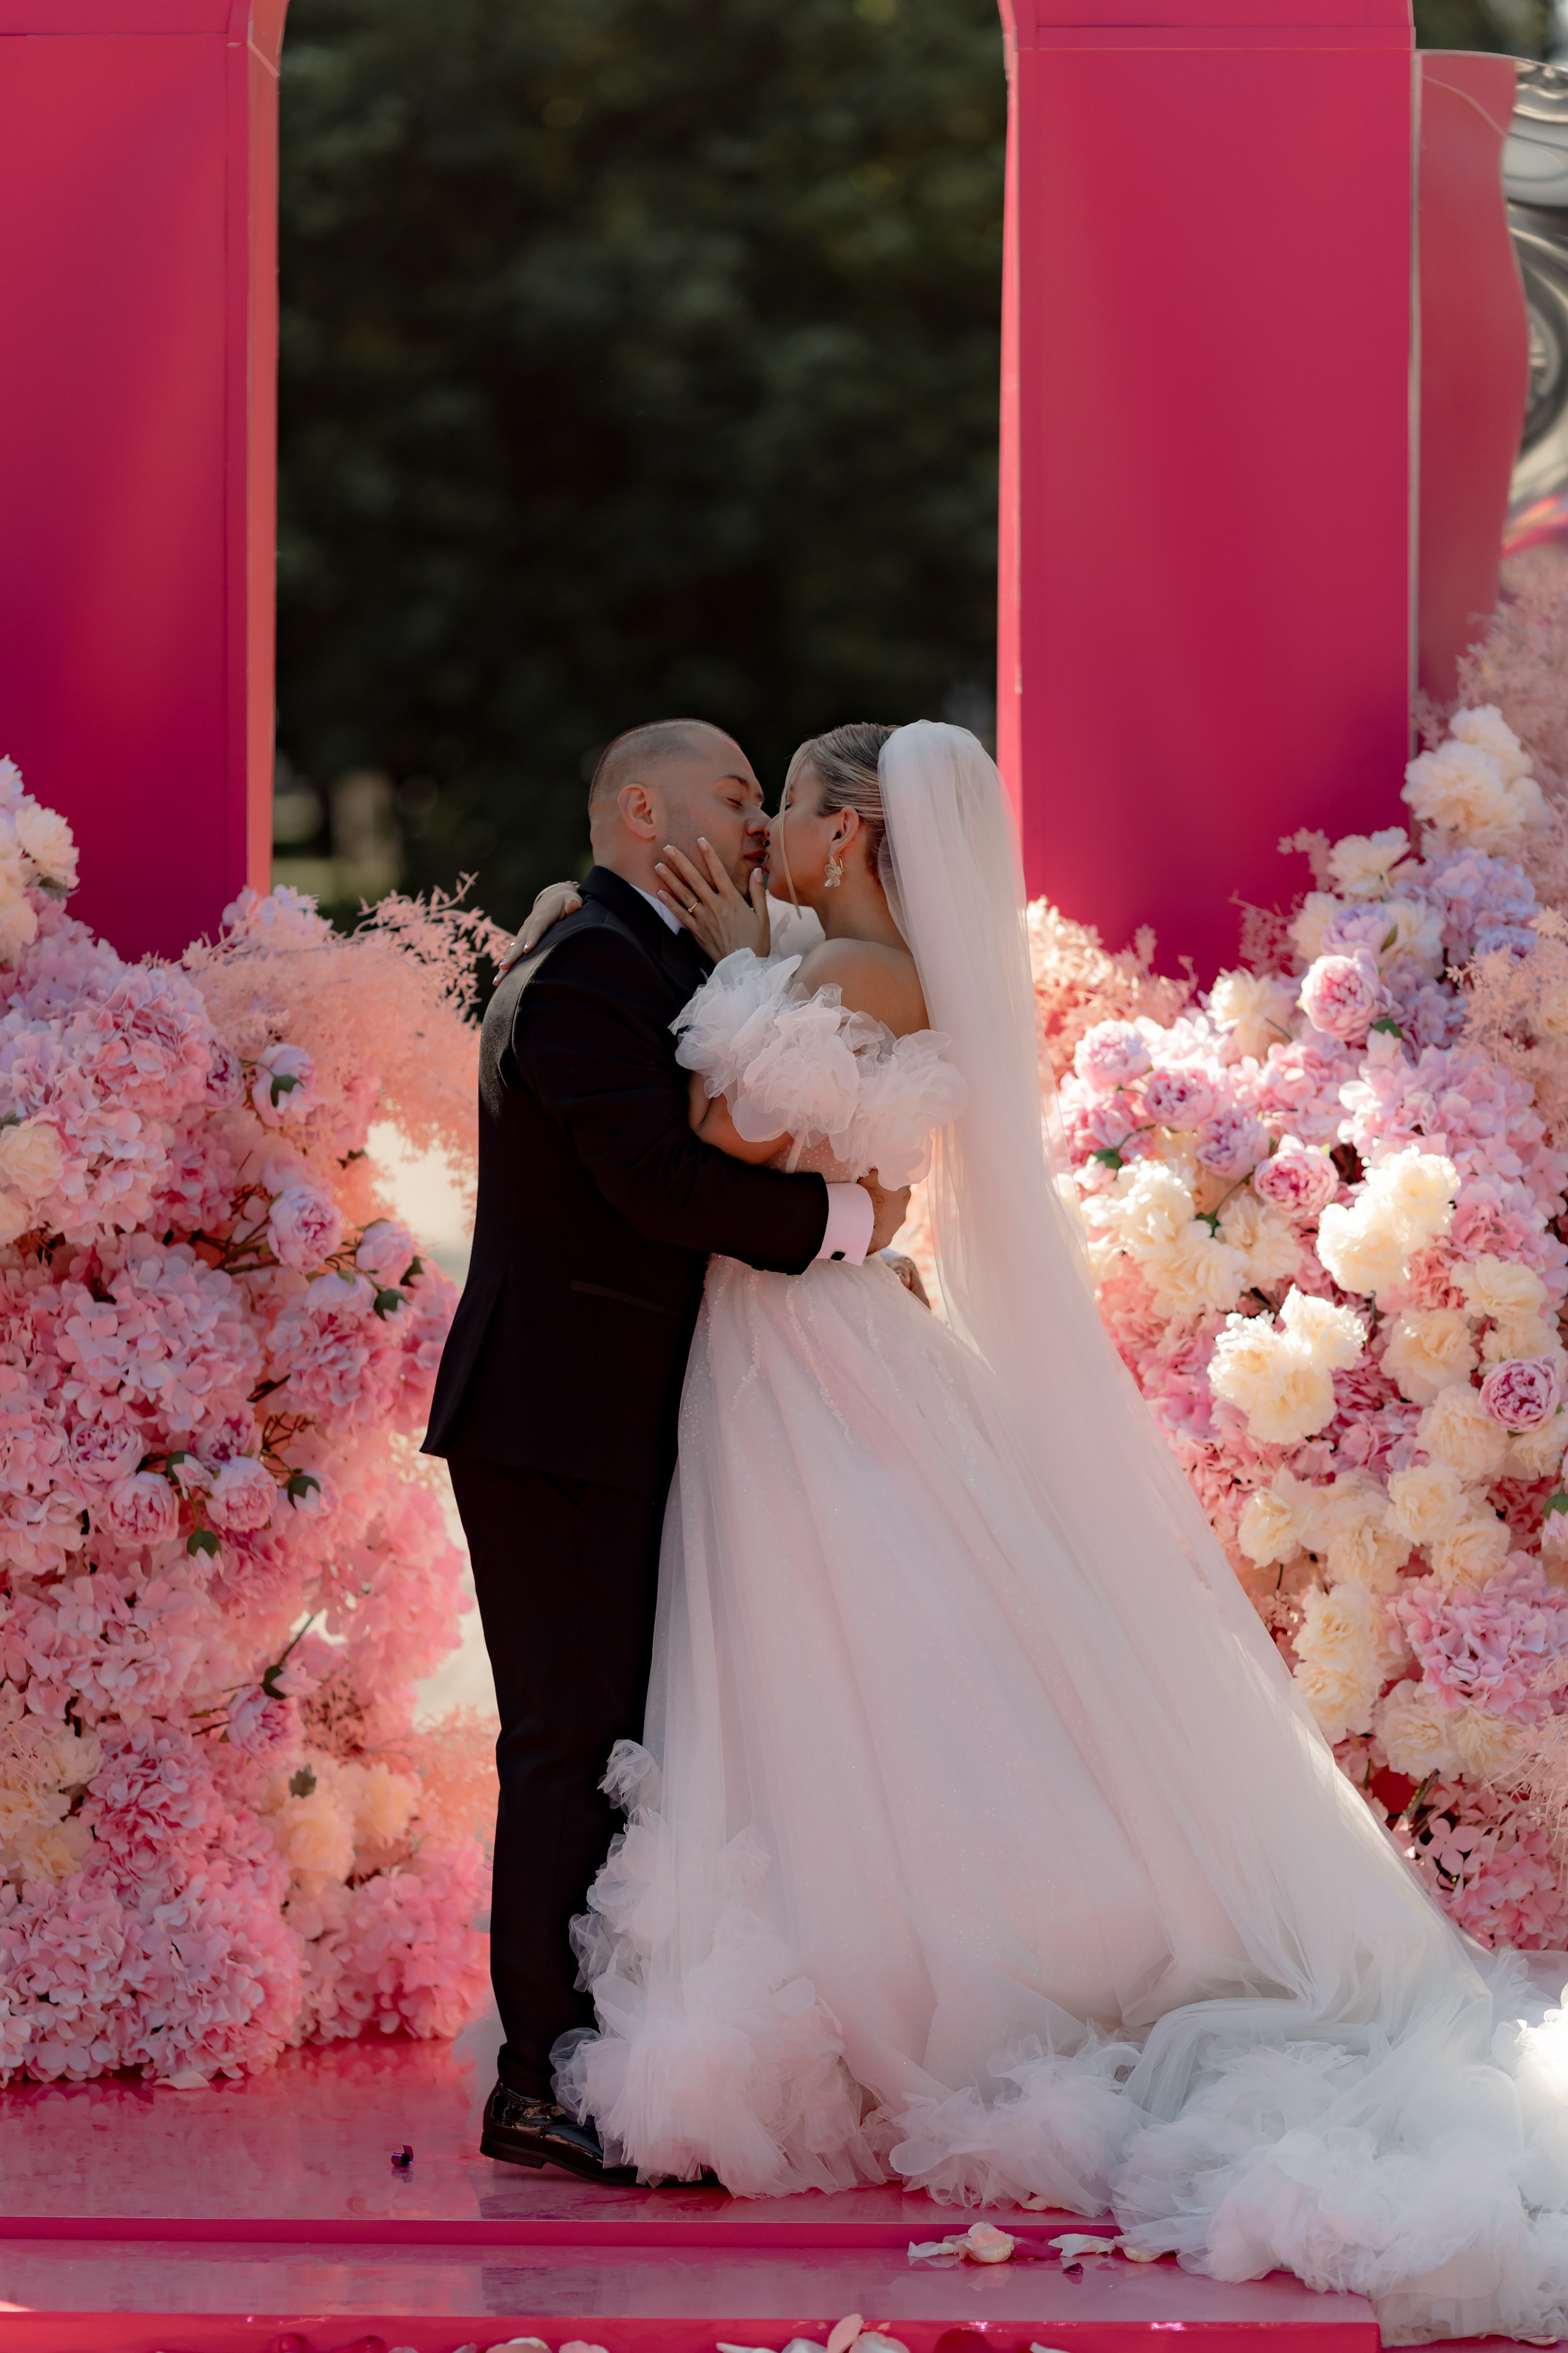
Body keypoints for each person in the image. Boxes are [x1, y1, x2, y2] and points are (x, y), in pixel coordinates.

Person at [525, 716, 1568, 2345]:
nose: (768, 841)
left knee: (842, 1640)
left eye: (786, 809)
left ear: (854, 833)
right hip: (789, 1344)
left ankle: (955, 1963)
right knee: (817, 1650)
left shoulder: (863, 978)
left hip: (806, 1353)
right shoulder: (840, 956)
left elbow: (732, 1131)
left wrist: (735, 961)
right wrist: (745, 957)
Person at [422, 716, 909, 2181]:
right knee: (565, 1749)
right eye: (734, 791)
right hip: (555, 1414)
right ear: (642, 807)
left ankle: (602, 2048)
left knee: (617, 1746)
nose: (759, 816)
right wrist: (845, 1226)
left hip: (613, 1413)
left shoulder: (645, 950)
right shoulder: (583, 961)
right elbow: (646, 1178)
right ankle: (533, 2083)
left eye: (770, 796)